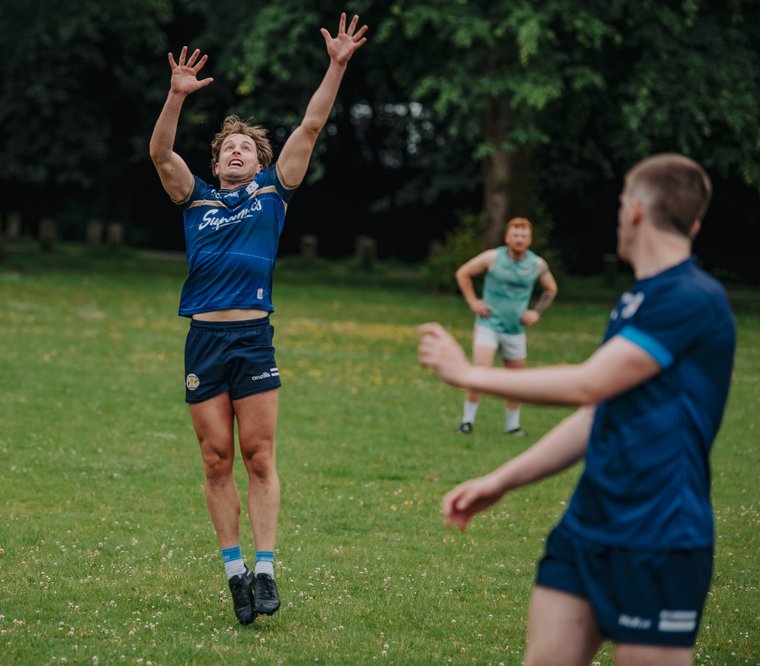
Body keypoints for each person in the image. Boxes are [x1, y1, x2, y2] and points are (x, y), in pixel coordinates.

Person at [418, 153, 734, 666]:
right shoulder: (639, 299)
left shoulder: (693, 298)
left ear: (633, 211)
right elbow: (598, 415)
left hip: (660, 537)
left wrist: (467, 373)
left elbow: (590, 384)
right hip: (586, 527)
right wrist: (501, 480)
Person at [148, 13, 368, 625]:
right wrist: (175, 96)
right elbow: (160, 151)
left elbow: (313, 123)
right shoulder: (195, 198)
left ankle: (266, 568)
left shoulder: (276, 190)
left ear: (259, 159)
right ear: (216, 164)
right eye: (228, 148)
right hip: (204, 339)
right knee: (216, 459)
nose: (237, 151)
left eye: (246, 146)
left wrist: (337, 65)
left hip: (253, 336)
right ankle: (234, 573)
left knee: (259, 457)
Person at [453, 217, 558, 435]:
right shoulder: (492, 257)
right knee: (481, 371)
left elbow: (550, 289)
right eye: (515, 235)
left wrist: (536, 312)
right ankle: (467, 422)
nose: (519, 239)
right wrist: (473, 302)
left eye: (523, 235)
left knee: (516, 380)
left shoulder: (537, 264)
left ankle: (512, 426)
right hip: (488, 324)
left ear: (530, 240)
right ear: (507, 238)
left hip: (515, 330)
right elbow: (463, 273)